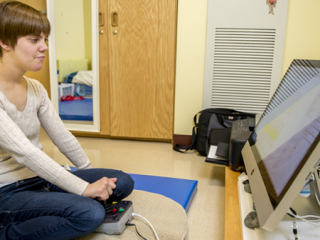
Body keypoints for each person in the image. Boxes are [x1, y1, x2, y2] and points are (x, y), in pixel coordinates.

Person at [0, 1, 134, 239]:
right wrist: (84, 189)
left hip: (40, 178)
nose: (44, 47)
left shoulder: (36, 88)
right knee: (89, 214)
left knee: (121, 182)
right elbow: (25, 152)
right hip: (7, 191)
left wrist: (91, 177)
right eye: (34, 40)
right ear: (5, 42)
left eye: (46, 40)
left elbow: (62, 136)